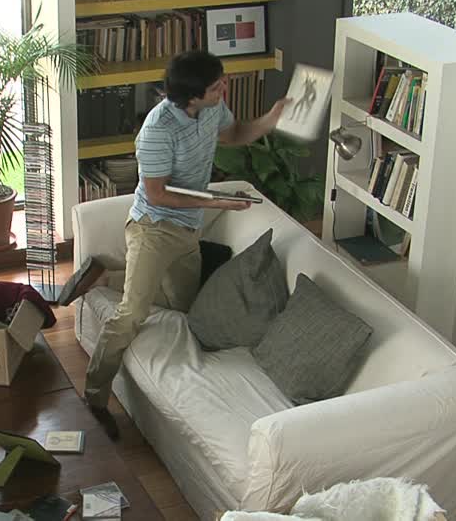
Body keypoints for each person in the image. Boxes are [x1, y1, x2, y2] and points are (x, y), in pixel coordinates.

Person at [58, 50, 289, 439]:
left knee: (183, 306)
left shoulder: (212, 108)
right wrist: (216, 202)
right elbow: (158, 193)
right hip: (153, 228)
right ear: (193, 96)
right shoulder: (157, 130)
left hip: (188, 229)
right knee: (132, 314)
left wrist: (272, 118)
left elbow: (233, 134)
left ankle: (104, 277)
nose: (225, 86)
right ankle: (94, 398)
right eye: (217, 85)